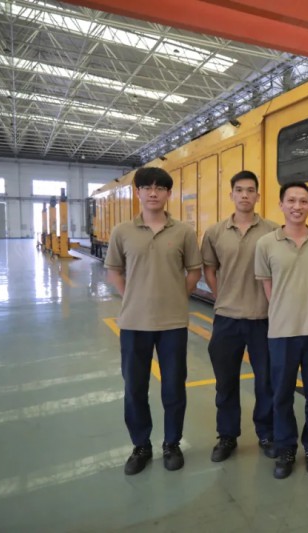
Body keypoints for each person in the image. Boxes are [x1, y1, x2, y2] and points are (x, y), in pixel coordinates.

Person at [105, 167, 202, 475]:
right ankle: (141, 446)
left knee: (174, 387)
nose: (153, 193)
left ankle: (172, 444)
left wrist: (177, 297)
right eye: (147, 187)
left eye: (160, 188)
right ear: (138, 193)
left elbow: (194, 271)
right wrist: (132, 297)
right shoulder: (122, 231)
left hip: (173, 324)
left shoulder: (183, 232)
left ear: (169, 194)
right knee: (135, 388)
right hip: (134, 324)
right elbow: (114, 270)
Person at [201, 170, 279, 462]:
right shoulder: (215, 233)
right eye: (239, 190)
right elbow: (209, 269)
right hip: (227, 318)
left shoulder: (273, 231)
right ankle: (227, 435)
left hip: (264, 318)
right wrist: (221, 295)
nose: (245, 195)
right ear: (231, 194)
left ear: (258, 195)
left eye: (250, 190)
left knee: (266, 382)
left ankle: (266, 433)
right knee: (225, 382)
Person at [254, 182, 308, 479]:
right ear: (281, 205)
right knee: (282, 395)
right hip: (281, 333)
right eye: (291, 201)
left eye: (303, 201)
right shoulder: (266, 244)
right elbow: (267, 286)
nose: (297, 206)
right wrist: (283, 310)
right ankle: (285, 448)